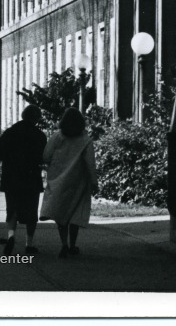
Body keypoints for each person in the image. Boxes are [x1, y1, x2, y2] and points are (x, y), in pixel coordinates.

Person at [40, 107, 98, 258]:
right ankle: (73, 245)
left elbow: (46, 156)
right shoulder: (86, 140)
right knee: (74, 213)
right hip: (79, 180)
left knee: (61, 212)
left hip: (58, 178)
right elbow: (90, 162)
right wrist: (93, 181)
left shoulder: (57, 137)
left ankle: (63, 244)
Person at [0, 103, 47, 255]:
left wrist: (10, 160)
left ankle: (11, 236)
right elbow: (43, 156)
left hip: (11, 176)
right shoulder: (39, 135)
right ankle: (29, 244)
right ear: (37, 118)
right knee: (31, 210)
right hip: (31, 176)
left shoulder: (10, 132)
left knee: (12, 208)